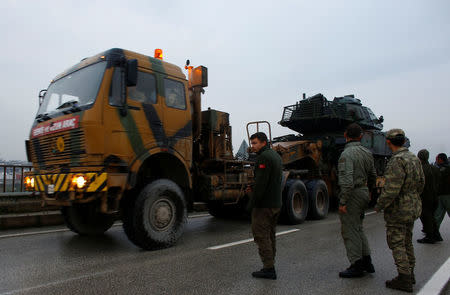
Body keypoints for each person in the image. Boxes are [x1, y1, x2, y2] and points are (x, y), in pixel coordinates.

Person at [375, 129, 424, 293]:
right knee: (407, 241)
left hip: (399, 209)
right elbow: (421, 183)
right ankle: (410, 274)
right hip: (412, 205)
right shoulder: (414, 158)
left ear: (388, 142)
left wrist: (379, 205)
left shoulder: (396, 161)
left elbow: (391, 190)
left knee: (397, 243)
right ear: (403, 141)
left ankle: (404, 278)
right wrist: (412, 197)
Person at [337, 123, 377, 278]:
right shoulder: (367, 152)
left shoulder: (347, 154)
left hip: (352, 194)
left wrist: (343, 202)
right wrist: (371, 191)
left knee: (350, 230)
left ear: (346, 135)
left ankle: (356, 265)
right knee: (359, 228)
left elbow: (347, 181)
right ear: (361, 136)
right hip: (364, 191)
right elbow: (373, 175)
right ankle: (367, 262)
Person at [246, 132, 282, 280]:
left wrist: (251, 204)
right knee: (270, 235)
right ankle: (270, 263)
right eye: (252, 143)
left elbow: (261, 184)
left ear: (263, 142)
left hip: (264, 204)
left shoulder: (264, 157)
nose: (252, 146)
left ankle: (269, 268)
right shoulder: (275, 155)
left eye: (255, 143)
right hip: (275, 203)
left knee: (261, 236)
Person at [416, 149, 440, 244]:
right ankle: (436, 234)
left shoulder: (420, 169)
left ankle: (430, 236)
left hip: (425, 196)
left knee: (426, 217)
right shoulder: (435, 168)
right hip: (435, 196)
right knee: (431, 216)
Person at [434, 153, 450, 240]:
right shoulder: (441, 168)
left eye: (437, 159)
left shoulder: (443, 169)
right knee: (437, 215)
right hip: (442, 195)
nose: (436, 160)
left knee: (437, 215)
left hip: (445, 194)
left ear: (441, 159)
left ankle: (434, 234)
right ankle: (435, 234)